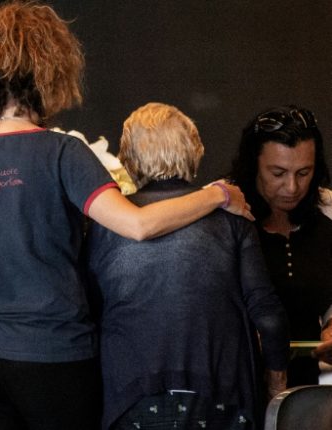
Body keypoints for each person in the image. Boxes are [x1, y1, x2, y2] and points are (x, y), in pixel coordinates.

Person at [0, 3, 252, 429]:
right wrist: (217, 195)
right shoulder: (63, 152)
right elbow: (138, 225)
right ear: (53, 72)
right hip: (51, 356)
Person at [86, 102, 290, 430]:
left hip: (133, 396)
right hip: (221, 395)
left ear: (127, 159)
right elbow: (268, 315)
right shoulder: (233, 219)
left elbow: (89, 315)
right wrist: (276, 385)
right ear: (195, 151)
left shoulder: (108, 224)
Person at [228, 105, 332, 388]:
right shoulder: (222, 212)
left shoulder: (328, 212)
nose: (292, 187)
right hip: (239, 385)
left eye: (304, 172)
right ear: (253, 165)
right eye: (278, 173)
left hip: (306, 387)